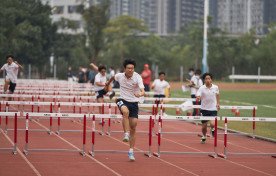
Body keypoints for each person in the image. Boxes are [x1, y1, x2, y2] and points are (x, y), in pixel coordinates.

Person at [105, 59, 145, 161]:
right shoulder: (120, 75)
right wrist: (107, 84)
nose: (130, 70)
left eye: (132, 68)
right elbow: (112, 78)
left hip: (134, 102)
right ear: (125, 69)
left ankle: (131, 151)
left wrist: (140, 94)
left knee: (134, 127)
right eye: (128, 68)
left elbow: (143, 90)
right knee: (125, 112)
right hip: (122, 100)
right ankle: (125, 133)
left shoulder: (137, 77)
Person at [196, 73, 220, 144]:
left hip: (213, 108)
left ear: (211, 79)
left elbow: (217, 95)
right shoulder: (201, 88)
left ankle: (213, 129)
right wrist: (198, 97)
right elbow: (198, 95)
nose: (208, 80)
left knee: (212, 124)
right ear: (204, 80)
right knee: (204, 127)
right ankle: (204, 136)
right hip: (204, 109)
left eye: (209, 78)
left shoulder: (215, 87)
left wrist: (218, 103)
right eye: (206, 79)